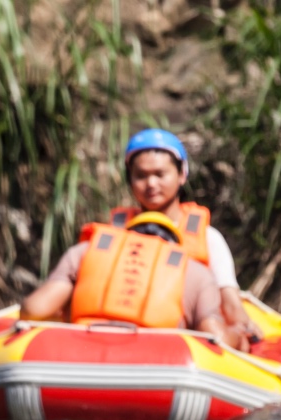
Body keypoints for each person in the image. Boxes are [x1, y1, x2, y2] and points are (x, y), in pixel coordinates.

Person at [108, 128, 260, 348]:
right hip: (116, 336)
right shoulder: (112, 237)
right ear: (129, 179)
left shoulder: (208, 239)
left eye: (160, 174)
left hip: (188, 344)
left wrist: (242, 331)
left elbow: (230, 305)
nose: (151, 184)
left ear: (181, 174)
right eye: (141, 175)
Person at [19, 211, 236, 347]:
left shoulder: (84, 251)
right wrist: (238, 337)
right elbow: (215, 336)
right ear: (174, 243)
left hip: (83, 349)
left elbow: (34, 309)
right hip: (162, 362)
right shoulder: (195, 270)